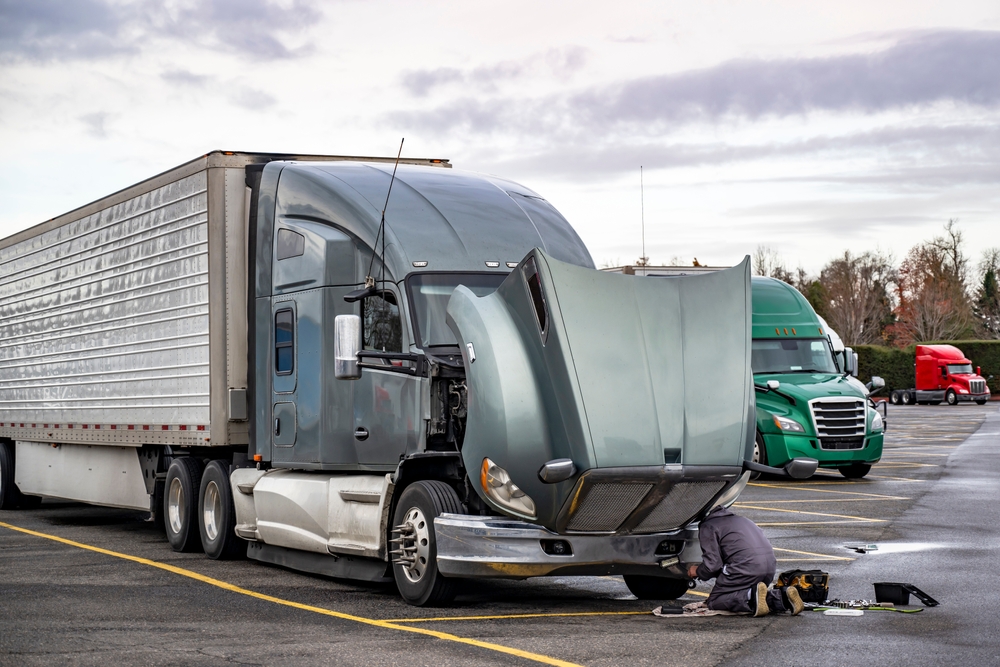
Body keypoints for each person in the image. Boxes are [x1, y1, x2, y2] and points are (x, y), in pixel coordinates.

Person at [685, 505, 804, 617]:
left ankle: (749, 596)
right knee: (759, 598)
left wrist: (698, 571)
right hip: (769, 568)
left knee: (715, 601)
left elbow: (713, 565)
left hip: (745, 568)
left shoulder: (708, 525)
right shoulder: (743, 520)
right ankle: (783, 596)